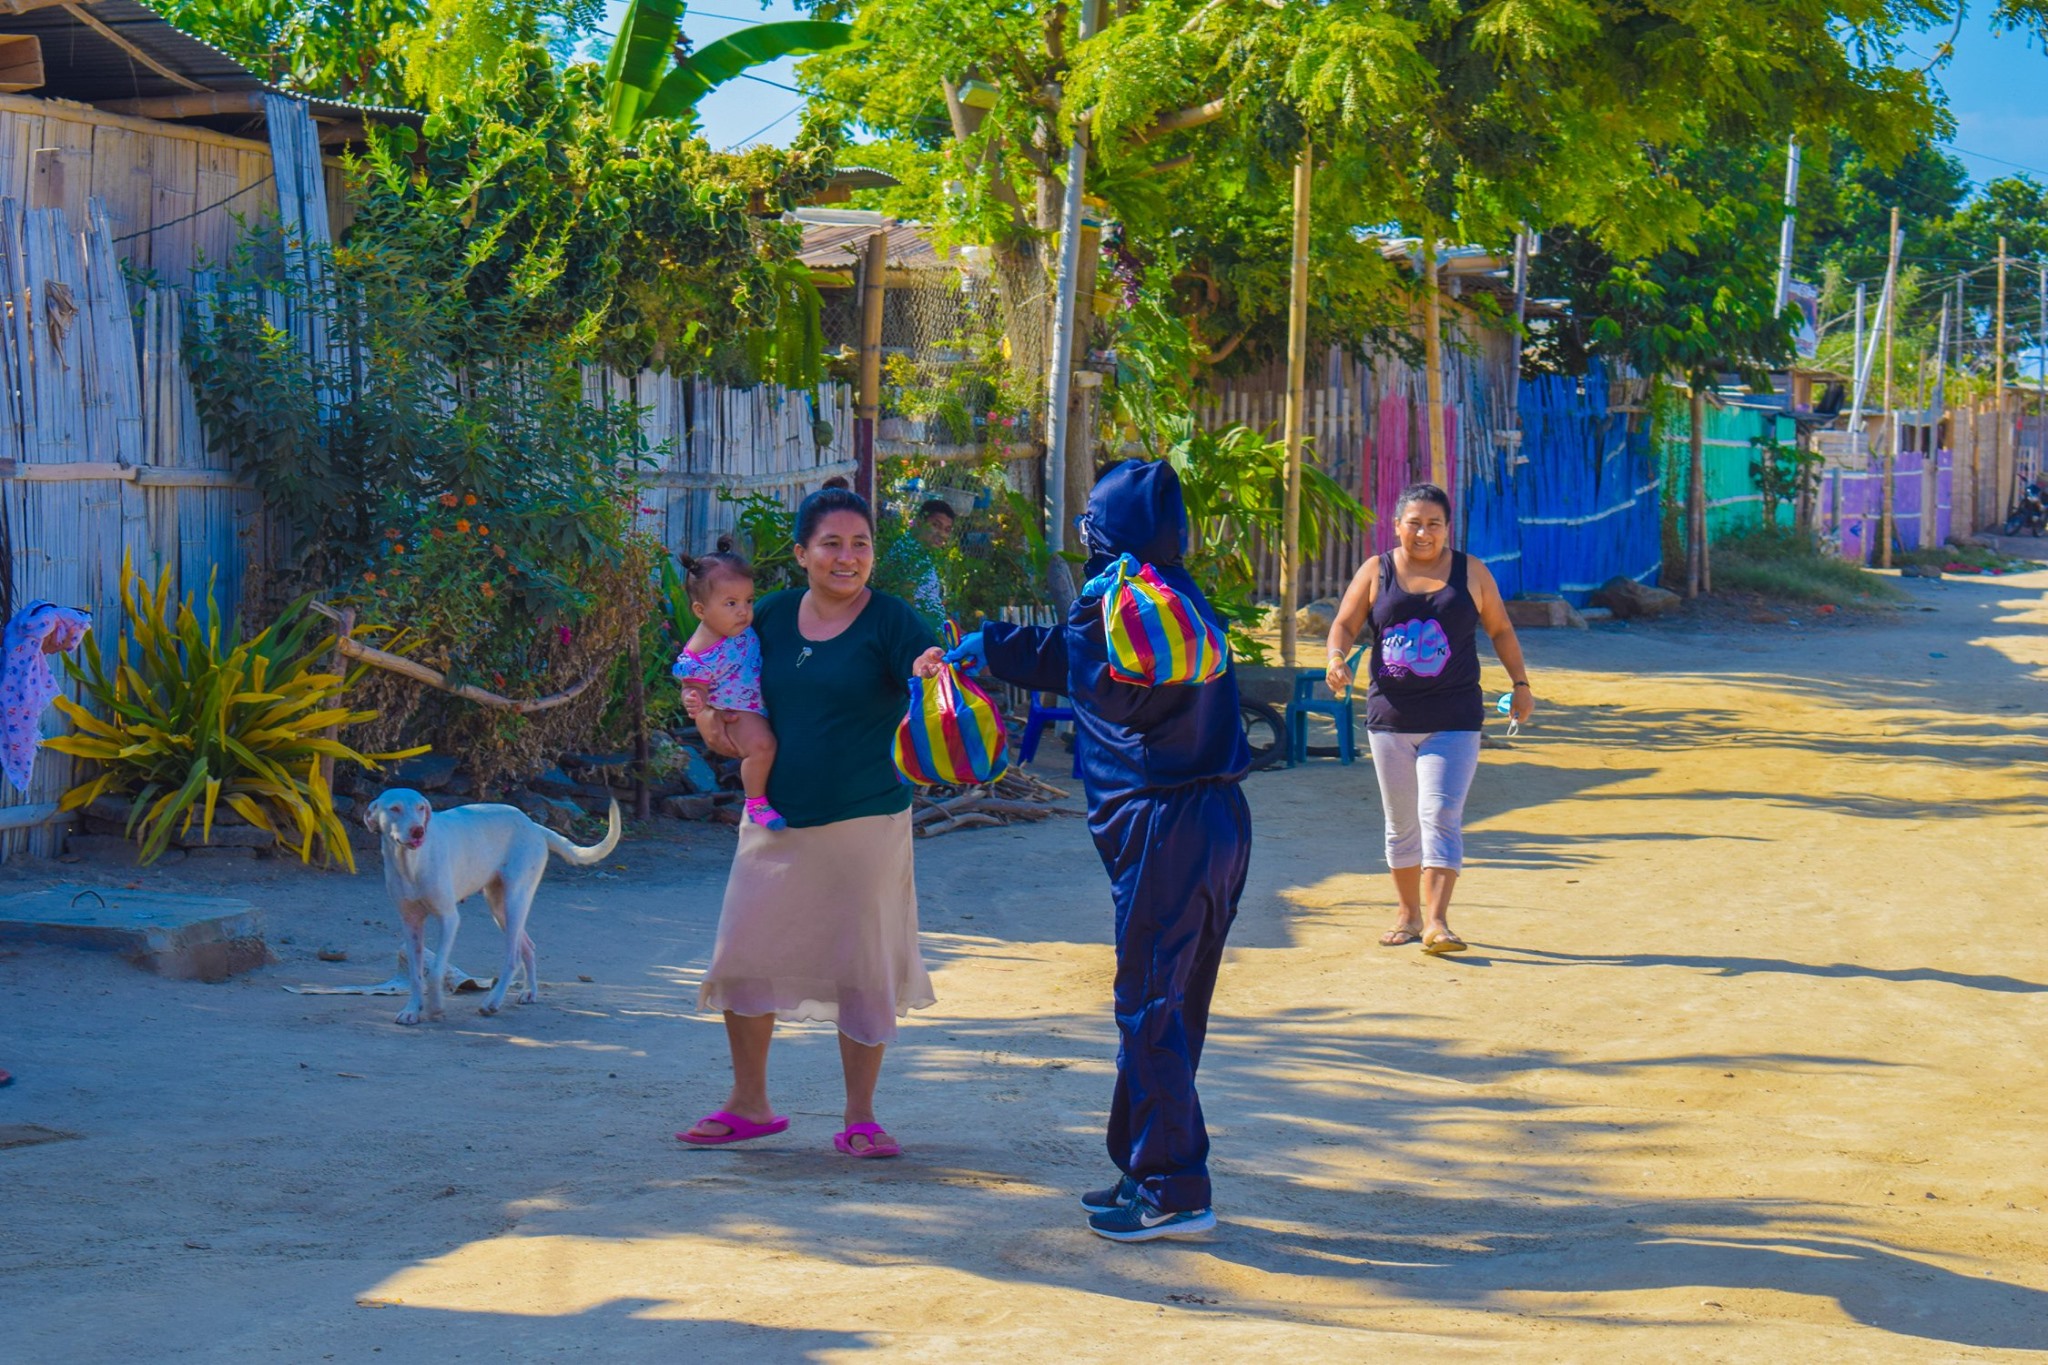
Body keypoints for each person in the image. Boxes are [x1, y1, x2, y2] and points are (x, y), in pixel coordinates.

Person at [949, 460, 1251, 1242]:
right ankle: (1145, 1165)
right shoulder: (1179, 599)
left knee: (1148, 1004)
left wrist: (984, 646)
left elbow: (1079, 656)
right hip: (1221, 819)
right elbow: (1077, 659)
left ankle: (1174, 1187)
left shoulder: (1111, 602)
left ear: (1105, 527)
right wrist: (995, 646)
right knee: (1172, 1005)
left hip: (1163, 827)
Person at [679, 487, 947, 1159]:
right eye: (831, 543)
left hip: (865, 820)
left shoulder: (892, 621)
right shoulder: (763, 615)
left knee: (861, 968)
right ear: (801, 553)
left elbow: (928, 673)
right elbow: (713, 673)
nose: (847, 557)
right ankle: (749, 1103)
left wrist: (929, 670)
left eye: (860, 544)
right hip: (774, 816)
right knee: (742, 954)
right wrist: (707, 718)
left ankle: (861, 1116)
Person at [1324, 482, 1536, 955]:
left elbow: (1500, 629)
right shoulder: (1376, 570)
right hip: (1390, 717)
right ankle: (1408, 915)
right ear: (1396, 525)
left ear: (1447, 528)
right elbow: (1344, 622)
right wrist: (1336, 657)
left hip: (1454, 716)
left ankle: (1438, 923)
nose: (1424, 533)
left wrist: (1520, 684)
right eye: (1414, 523)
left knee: (1440, 813)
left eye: (1434, 524)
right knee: (1401, 822)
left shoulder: (1472, 572)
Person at [672, 545, 783, 830]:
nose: (744, 612)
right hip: (736, 710)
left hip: (753, 701)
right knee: (762, 747)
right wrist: (694, 699)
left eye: (749, 601)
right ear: (700, 610)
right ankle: (756, 803)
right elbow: (692, 685)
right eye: (731, 604)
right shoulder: (700, 652)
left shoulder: (736, 629)